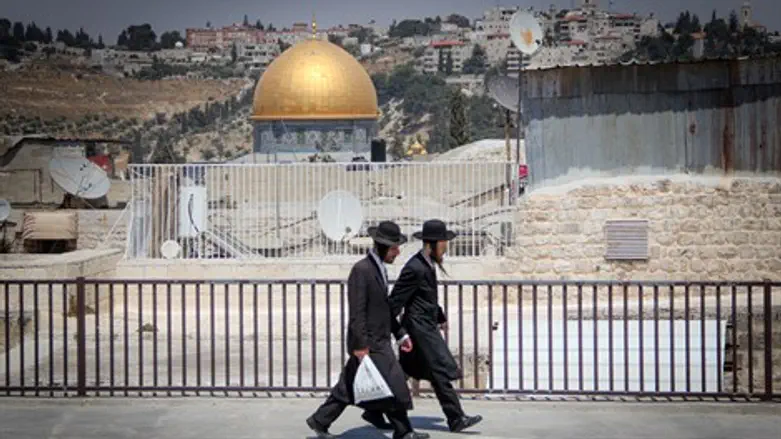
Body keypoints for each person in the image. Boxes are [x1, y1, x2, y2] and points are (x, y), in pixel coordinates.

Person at [306, 221, 430, 439]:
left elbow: (384, 309)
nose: (397, 252)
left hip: (378, 339)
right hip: (369, 343)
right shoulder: (361, 270)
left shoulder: (378, 269)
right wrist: (360, 345)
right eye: (394, 248)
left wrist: (400, 334)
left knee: (347, 386)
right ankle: (403, 431)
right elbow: (357, 311)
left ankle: (320, 420)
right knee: (394, 382)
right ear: (382, 246)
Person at [388, 219, 483, 433]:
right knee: (440, 369)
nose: (446, 247)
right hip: (418, 330)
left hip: (425, 326)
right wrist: (398, 332)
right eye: (443, 242)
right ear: (432, 243)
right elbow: (395, 302)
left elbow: (425, 297)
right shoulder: (415, 267)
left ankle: (375, 408)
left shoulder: (426, 264)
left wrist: (439, 316)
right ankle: (456, 418)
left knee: (407, 371)